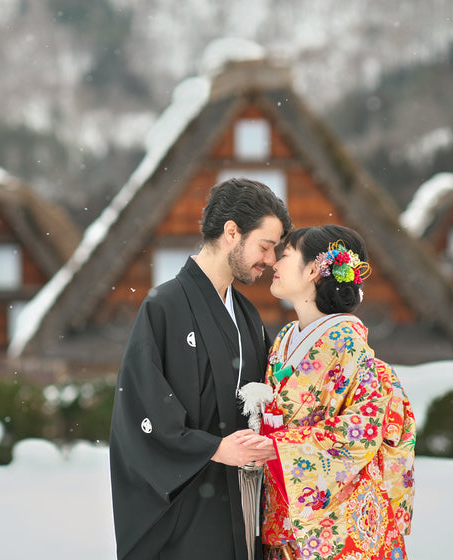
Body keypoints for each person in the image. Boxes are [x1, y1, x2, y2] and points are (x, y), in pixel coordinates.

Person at [109, 178, 293, 560]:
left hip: (243, 499)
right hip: (189, 506)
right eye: (265, 246)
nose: (270, 260)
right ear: (232, 232)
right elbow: (141, 412)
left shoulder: (248, 316)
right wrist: (215, 448)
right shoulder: (164, 307)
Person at [242, 225, 416, 560]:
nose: (274, 262)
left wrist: (279, 446)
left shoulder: (351, 347)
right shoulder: (284, 339)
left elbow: (361, 433)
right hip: (285, 519)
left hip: (335, 526)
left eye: (286, 254)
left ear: (313, 270)